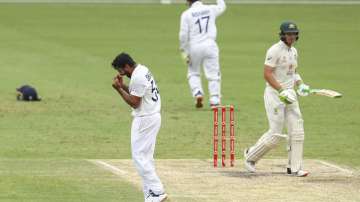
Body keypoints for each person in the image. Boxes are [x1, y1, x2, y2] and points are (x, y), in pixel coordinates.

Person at [244, 22, 311, 177]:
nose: (291, 37)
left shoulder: (294, 51)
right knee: (275, 135)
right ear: (282, 34)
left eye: (293, 34)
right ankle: (250, 156)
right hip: (275, 95)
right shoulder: (274, 50)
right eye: (288, 34)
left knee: (297, 131)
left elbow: (293, 72)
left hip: (290, 95)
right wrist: (281, 90)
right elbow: (267, 74)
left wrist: (301, 85)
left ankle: (294, 168)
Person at [111, 53, 167, 201]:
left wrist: (118, 89)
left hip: (145, 120)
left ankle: (158, 191)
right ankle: (151, 195)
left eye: (122, 71)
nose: (122, 74)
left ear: (127, 66)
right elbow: (137, 91)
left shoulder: (138, 76)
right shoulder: (142, 70)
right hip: (152, 117)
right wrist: (123, 85)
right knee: (146, 158)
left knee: (139, 158)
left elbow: (135, 102)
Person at [179, 0, 226, 108]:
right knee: (213, 73)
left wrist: (184, 51)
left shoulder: (186, 14)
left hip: (194, 46)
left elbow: (183, 35)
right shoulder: (210, 9)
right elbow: (222, 6)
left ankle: (198, 92)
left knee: (193, 72)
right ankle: (215, 99)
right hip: (210, 45)